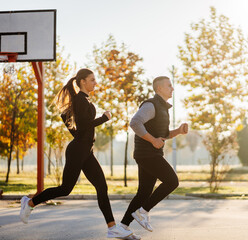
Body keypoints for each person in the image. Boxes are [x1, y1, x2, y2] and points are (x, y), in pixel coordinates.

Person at [19, 68, 139, 240]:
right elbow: (84, 125)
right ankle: (29, 203)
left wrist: (79, 136)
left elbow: (65, 117)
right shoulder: (80, 100)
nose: (95, 83)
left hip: (85, 150)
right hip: (77, 151)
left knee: (101, 187)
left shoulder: (82, 100)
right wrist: (104, 118)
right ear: (83, 81)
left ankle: (112, 227)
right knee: (65, 189)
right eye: (92, 79)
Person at [119, 76, 188, 232]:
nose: (173, 88)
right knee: (172, 181)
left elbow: (162, 135)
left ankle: (122, 227)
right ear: (159, 89)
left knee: (143, 193)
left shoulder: (163, 108)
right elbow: (135, 122)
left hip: (148, 154)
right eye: (169, 85)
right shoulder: (151, 105)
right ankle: (142, 212)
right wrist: (152, 141)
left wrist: (178, 131)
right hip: (148, 154)